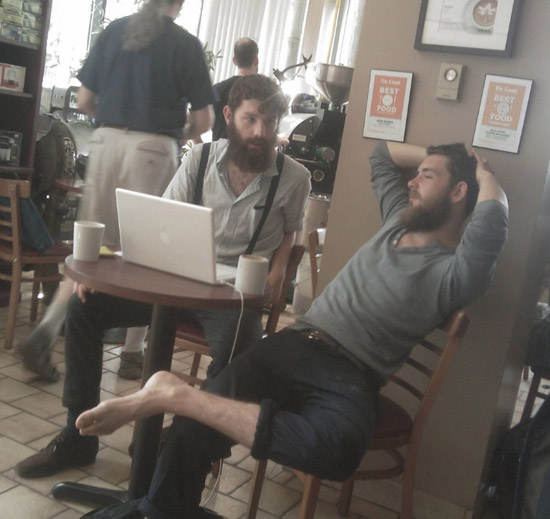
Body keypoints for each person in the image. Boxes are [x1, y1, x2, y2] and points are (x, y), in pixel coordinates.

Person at [65, 138, 508, 519]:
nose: (412, 181)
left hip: (352, 373)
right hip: (293, 344)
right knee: (190, 433)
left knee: (337, 450)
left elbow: (492, 223)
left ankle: (180, 397)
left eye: (427, 176)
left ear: (459, 192)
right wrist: (439, 155)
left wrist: (485, 174)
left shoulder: (457, 272)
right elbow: (381, 155)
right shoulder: (397, 220)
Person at [14, 74, 311, 482]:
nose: (261, 132)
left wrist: (278, 269)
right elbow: (158, 224)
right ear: (228, 116)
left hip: (231, 297)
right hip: (175, 278)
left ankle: (179, 443)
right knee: (84, 306)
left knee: (243, 351)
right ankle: (77, 435)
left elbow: (291, 232)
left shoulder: (294, 178)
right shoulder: (199, 160)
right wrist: (107, 271)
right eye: (251, 119)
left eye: (271, 122)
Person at [16, 0, 215, 382]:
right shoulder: (185, 44)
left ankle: (45, 332)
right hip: (152, 150)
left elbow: (84, 101)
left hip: (105, 144)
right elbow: (204, 120)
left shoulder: (114, 32)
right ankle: (132, 353)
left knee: (90, 250)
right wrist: (177, 135)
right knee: (147, 255)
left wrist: (117, 119)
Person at [211, 37, 259, 141]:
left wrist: (202, 147)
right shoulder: (262, 92)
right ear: (256, 61)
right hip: (249, 150)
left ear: (234, 61)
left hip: (218, 151)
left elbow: (196, 121)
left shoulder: (217, 90)